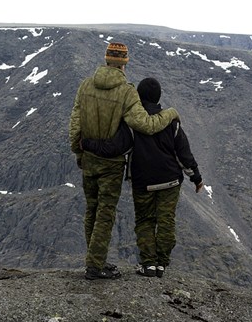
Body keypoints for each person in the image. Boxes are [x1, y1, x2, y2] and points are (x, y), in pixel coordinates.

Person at [69, 42, 180, 280]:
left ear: (106, 60)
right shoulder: (127, 92)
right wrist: (171, 113)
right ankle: (95, 266)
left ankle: (95, 260)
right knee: (105, 213)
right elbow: (146, 125)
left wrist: (78, 153)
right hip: (111, 164)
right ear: (124, 63)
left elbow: (75, 124)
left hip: (88, 159)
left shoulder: (86, 86)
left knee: (92, 210)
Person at [81, 77, 203, 279]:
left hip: (143, 183)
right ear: (159, 97)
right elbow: (184, 156)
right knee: (166, 222)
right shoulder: (172, 124)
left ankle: (148, 265)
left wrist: (88, 144)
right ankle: (162, 264)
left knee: (145, 221)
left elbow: (115, 148)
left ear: (137, 96)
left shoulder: (131, 124)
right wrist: (196, 178)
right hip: (170, 182)